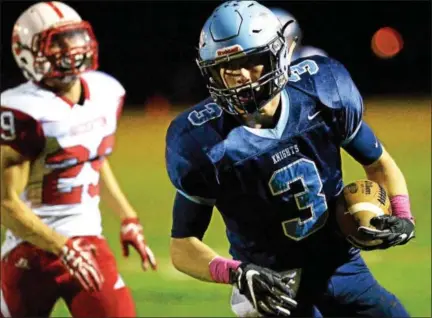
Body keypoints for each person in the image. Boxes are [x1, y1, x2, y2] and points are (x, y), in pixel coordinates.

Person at [165, 1, 415, 317]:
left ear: (279, 55)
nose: (241, 78)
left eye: (252, 62)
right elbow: (182, 245)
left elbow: (378, 163)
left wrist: (404, 215)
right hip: (275, 286)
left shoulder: (322, 94)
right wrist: (238, 273)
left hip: (342, 266)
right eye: (227, 69)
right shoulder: (203, 142)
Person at [0, 2, 157, 317]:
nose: (70, 48)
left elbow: (93, 161)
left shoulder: (105, 91)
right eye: (56, 41)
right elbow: (5, 203)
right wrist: (62, 248)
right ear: (28, 53)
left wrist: (128, 218)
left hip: (86, 242)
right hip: (30, 249)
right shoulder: (23, 111)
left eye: (73, 37)